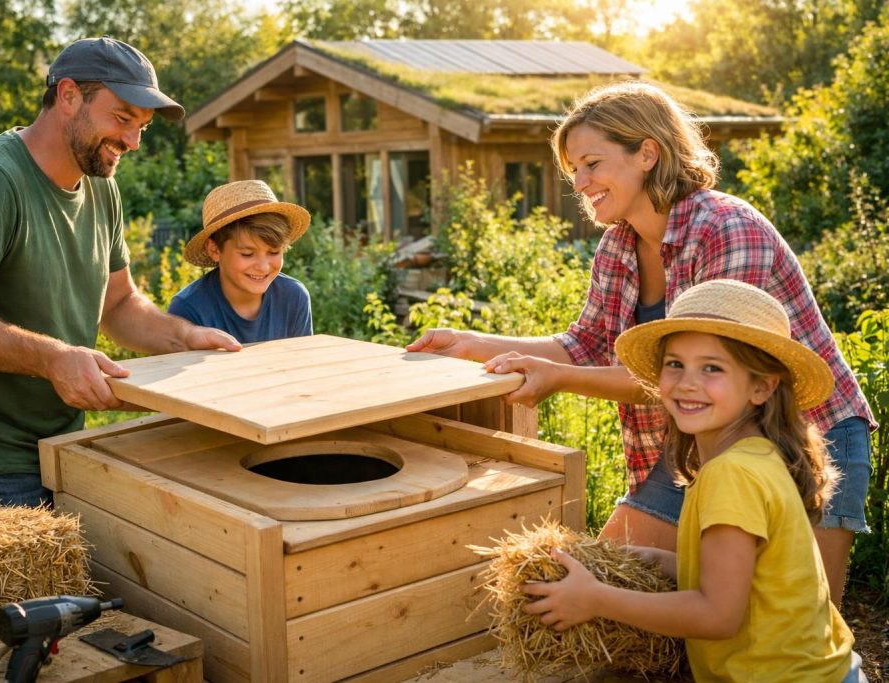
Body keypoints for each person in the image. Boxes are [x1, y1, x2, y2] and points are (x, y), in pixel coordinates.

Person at [406, 81, 875, 606]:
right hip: (703, 445)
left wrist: (558, 379)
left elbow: (702, 374)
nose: (580, 184)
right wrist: (473, 343)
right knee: (615, 585)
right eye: (574, 172)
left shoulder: (726, 230)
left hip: (808, 438)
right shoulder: (618, 245)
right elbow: (583, 344)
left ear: (647, 153)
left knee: (796, 620)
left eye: (591, 164)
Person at [0, 37, 242, 509]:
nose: (132, 141)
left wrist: (186, 338)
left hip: (59, 444)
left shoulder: (102, 188)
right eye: (122, 118)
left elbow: (118, 304)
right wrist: (52, 358)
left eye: (142, 127)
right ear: (67, 96)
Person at [521, 279, 866, 682]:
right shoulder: (757, 454)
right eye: (675, 364)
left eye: (712, 368)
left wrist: (596, 600)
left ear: (762, 386)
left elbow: (717, 616)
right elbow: (744, 576)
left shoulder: (731, 474)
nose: (687, 382)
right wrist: (663, 562)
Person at [168, 180, 313, 343]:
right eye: (247, 254)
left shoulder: (294, 297)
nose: (263, 267)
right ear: (214, 250)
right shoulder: (188, 309)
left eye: (273, 252)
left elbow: (301, 363)